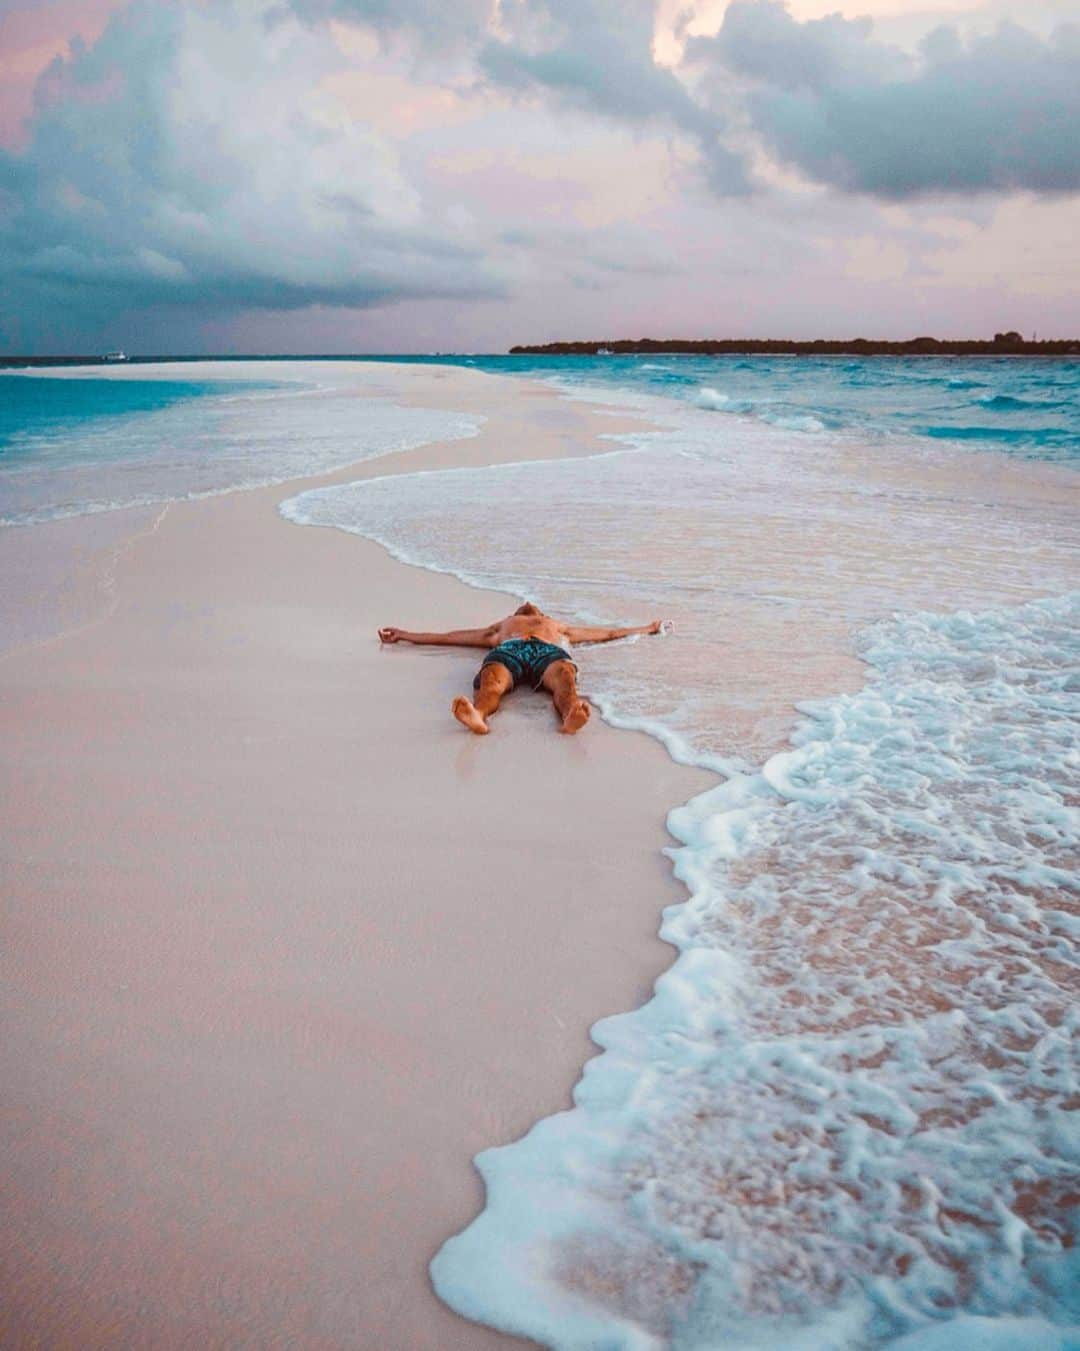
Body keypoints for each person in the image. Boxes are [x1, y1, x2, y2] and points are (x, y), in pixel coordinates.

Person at [377, 602, 664, 735]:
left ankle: (569, 717)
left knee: (565, 678)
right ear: (514, 614)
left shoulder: (556, 626)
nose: (527, 605)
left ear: (542, 614)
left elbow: (606, 633)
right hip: (509, 650)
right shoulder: (500, 627)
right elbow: (450, 637)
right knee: (490, 681)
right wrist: (405, 634)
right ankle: (478, 715)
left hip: (548, 652)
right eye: (521, 607)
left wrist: (647, 628)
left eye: (532, 607)